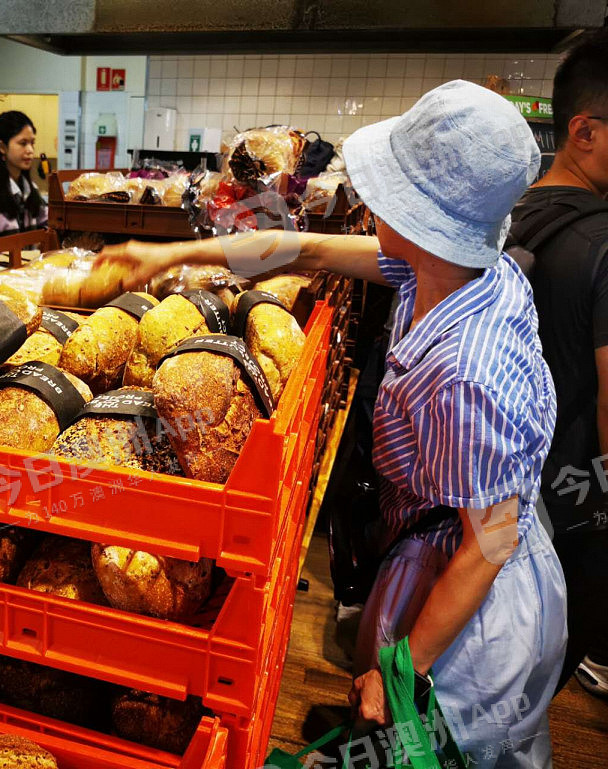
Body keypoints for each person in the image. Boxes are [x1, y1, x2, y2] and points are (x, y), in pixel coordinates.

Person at [97, 80, 566, 768]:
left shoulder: (472, 369)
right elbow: (304, 250)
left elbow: (489, 543)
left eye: (392, 192)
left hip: (473, 600)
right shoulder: (448, 268)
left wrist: (403, 667)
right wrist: (172, 257)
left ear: (426, 218)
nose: (375, 202)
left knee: (441, 748)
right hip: (440, 544)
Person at [510, 29, 608, 698]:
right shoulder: (603, 242)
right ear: (585, 130)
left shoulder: (502, 218)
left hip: (488, 514)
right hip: (570, 520)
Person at [0, 110, 48, 242]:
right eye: (23, 143)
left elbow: (49, 223)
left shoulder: (31, 189)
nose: (30, 150)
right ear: (2, 147)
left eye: (32, 143)